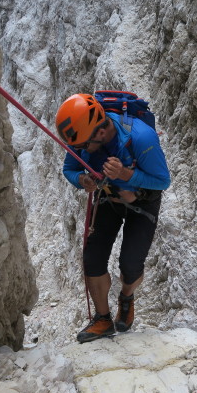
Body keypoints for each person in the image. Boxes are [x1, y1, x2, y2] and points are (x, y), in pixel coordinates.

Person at [56, 93, 170, 343]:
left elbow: (163, 180)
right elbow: (70, 168)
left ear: (99, 133)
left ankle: (126, 297)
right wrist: (82, 180)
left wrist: (127, 174)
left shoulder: (140, 137)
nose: (81, 151)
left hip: (143, 200)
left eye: (84, 147)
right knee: (92, 259)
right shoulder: (81, 137)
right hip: (108, 195)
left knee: (130, 265)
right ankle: (102, 319)